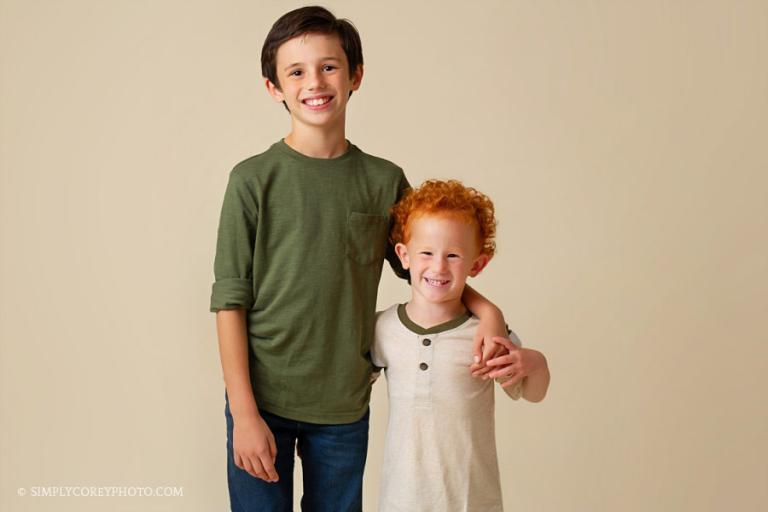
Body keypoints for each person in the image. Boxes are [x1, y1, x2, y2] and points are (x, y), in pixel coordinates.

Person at [209, 7, 509, 511]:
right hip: (261, 403)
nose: (315, 82)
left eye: (329, 66)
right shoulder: (252, 180)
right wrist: (243, 411)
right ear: (273, 88)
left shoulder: (383, 180)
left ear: (356, 76)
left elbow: (428, 268)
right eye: (296, 72)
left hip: (343, 409)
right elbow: (229, 300)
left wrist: (489, 312)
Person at [371, 179, 551, 512]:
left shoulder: (484, 335)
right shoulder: (383, 329)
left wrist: (535, 362)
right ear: (404, 255)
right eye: (426, 253)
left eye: (453, 255)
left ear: (477, 265)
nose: (438, 267)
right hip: (400, 502)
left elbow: (532, 392)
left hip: (471, 502)